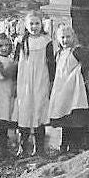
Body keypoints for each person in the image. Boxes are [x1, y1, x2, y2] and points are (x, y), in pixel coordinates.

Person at [14, 11, 55, 157]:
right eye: (31, 23)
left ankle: (39, 148)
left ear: (41, 24)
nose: (34, 26)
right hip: (24, 79)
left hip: (40, 78)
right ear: (26, 25)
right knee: (24, 109)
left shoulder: (46, 41)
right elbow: (16, 62)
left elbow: (51, 63)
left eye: (37, 23)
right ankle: (22, 146)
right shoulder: (21, 41)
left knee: (39, 109)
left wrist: (51, 81)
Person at [48, 24, 89, 154]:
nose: (65, 40)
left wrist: (80, 73)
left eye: (68, 37)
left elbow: (88, 63)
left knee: (75, 117)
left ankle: (75, 145)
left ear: (73, 37)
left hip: (75, 89)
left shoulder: (76, 51)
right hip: (62, 89)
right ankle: (64, 144)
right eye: (62, 37)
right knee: (64, 116)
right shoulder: (59, 53)